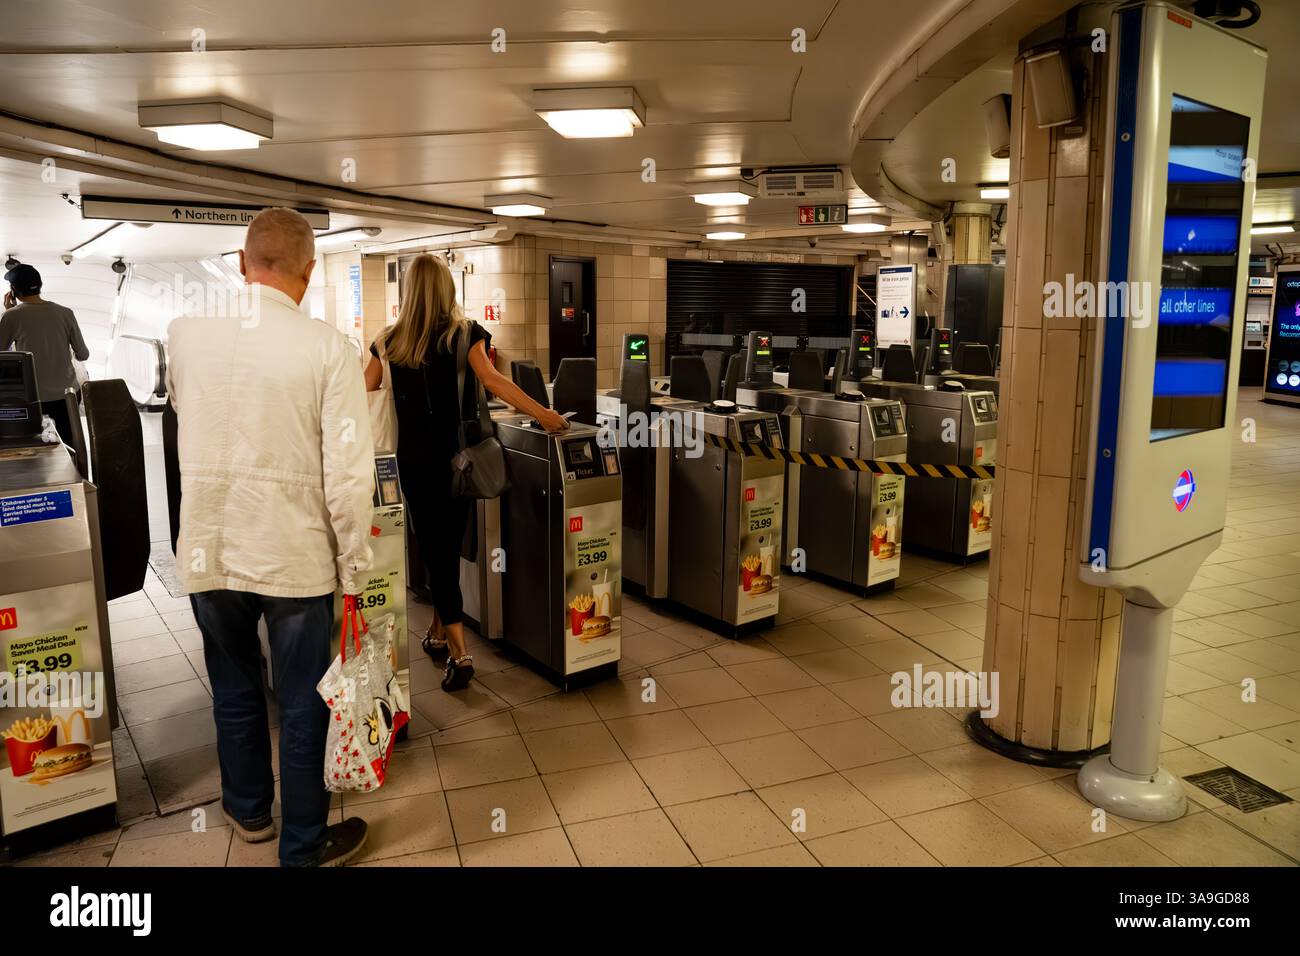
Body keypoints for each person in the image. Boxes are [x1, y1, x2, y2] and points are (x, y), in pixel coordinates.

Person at [167, 207, 375, 867]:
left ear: (240, 264)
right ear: (309, 273)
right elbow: (347, 478)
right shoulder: (328, 350)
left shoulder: (186, 335)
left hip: (209, 549)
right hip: (295, 557)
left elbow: (186, 412)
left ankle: (250, 811)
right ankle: (304, 846)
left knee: (233, 685)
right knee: (304, 699)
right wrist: (355, 575)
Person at [364, 253, 567, 690]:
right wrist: (542, 412)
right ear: (446, 288)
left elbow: (360, 393)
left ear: (407, 290)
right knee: (446, 552)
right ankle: (457, 649)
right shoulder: (465, 334)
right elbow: (494, 381)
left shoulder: (386, 340)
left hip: (412, 466)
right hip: (459, 463)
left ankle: (446, 640)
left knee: (435, 553)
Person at [0, 263, 90, 445]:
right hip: (68, 395)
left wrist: (9, 311)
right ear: (40, 285)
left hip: (34, 399)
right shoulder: (65, 313)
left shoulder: (12, 316)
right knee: (70, 445)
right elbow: (83, 354)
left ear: (13, 290)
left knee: (37, 447)